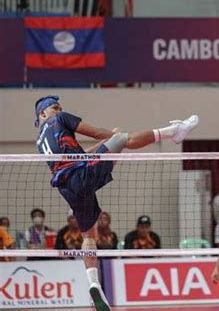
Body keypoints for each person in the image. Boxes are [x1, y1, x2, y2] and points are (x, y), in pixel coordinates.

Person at [34, 95, 198, 311]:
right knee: (120, 138)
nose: (60, 109)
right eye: (55, 107)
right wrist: (117, 138)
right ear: (43, 113)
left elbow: (79, 157)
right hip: (82, 176)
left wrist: (105, 145)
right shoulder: (60, 119)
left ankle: (94, 284)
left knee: (88, 235)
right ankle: (173, 132)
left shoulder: (40, 142)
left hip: (69, 188)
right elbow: (96, 132)